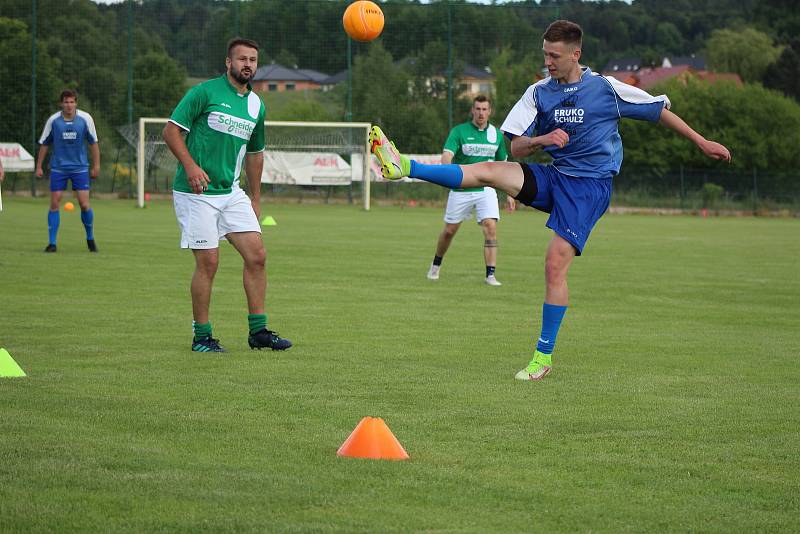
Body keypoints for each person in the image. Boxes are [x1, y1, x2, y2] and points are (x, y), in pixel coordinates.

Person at [370, 20, 731, 381]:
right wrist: (543, 139)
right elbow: (516, 145)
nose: (548, 62)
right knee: (490, 170)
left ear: (576, 53)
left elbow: (658, 111)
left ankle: (542, 357)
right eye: (545, 54)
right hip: (556, 177)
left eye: (555, 56)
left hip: (589, 188)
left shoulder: (605, 89)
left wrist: (701, 142)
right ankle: (404, 166)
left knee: (554, 263)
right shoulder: (539, 93)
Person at [163, 37, 292, 354]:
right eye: (242, 59)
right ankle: (202, 337)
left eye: (253, 60)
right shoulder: (204, 92)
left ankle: (258, 332)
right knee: (208, 263)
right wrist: (191, 166)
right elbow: (170, 131)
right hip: (197, 193)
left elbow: (256, 153)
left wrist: (256, 196)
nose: (248, 64)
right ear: (228, 62)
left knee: (257, 256)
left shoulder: (256, 105)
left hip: (231, 193)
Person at [428, 95, 516, 286]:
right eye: (478, 109)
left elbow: (504, 165)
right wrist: (446, 171)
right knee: (449, 231)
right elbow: (447, 155)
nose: (481, 113)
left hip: (486, 189)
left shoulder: (496, 135)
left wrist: (510, 193)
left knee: (490, 227)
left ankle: (490, 274)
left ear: (490, 111)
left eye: (484, 109)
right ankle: (436, 264)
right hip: (461, 189)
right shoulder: (459, 131)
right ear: (472, 110)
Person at [35, 89, 100, 253]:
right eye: (66, 102)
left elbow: (94, 143)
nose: (69, 105)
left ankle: (90, 238)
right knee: (55, 202)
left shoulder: (85, 119)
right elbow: (44, 143)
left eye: (72, 102)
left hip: (80, 167)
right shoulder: (53, 121)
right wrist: (39, 166)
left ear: (76, 103)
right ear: (61, 103)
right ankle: (52, 243)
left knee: (84, 204)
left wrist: (96, 165)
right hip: (59, 167)